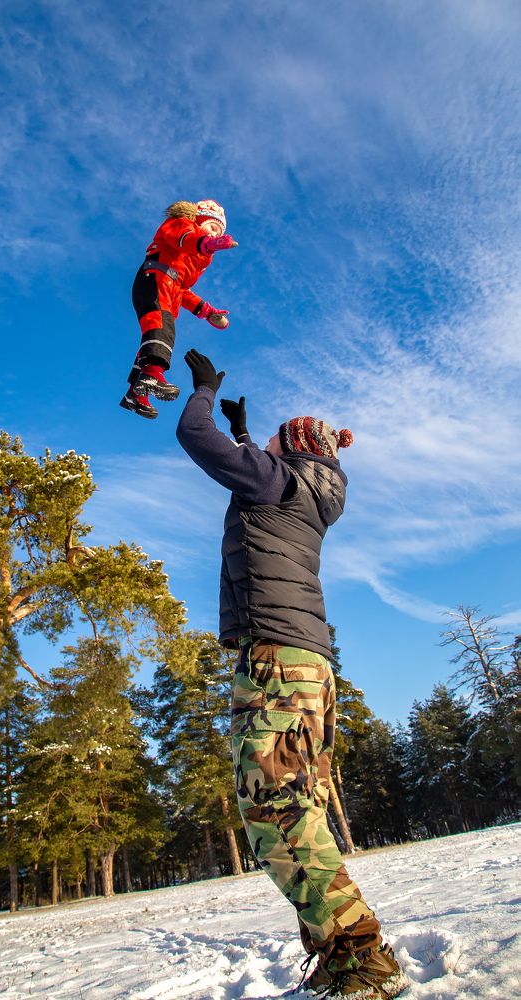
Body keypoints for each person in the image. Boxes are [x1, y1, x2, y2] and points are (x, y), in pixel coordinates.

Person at [176, 349, 408, 1000]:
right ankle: (341, 954)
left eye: (274, 440)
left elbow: (195, 436)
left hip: (277, 661)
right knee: (294, 806)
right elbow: (261, 475)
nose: (266, 447)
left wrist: (202, 391)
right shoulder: (302, 488)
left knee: (274, 810)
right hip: (308, 664)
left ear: (295, 449)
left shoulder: (278, 481)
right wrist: (249, 434)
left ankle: (362, 957)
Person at [119, 200, 237, 420]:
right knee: (159, 327)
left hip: (170, 290)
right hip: (155, 280)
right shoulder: (181, 224)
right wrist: (206, 244)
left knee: (158, 334)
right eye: (212, 227)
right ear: (199, 221)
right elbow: (184, 239)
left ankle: (136, 394)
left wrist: (208, 312)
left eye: (219, 232)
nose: (214, 234)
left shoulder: (196, 260)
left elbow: (184, 290)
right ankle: (152, 375)